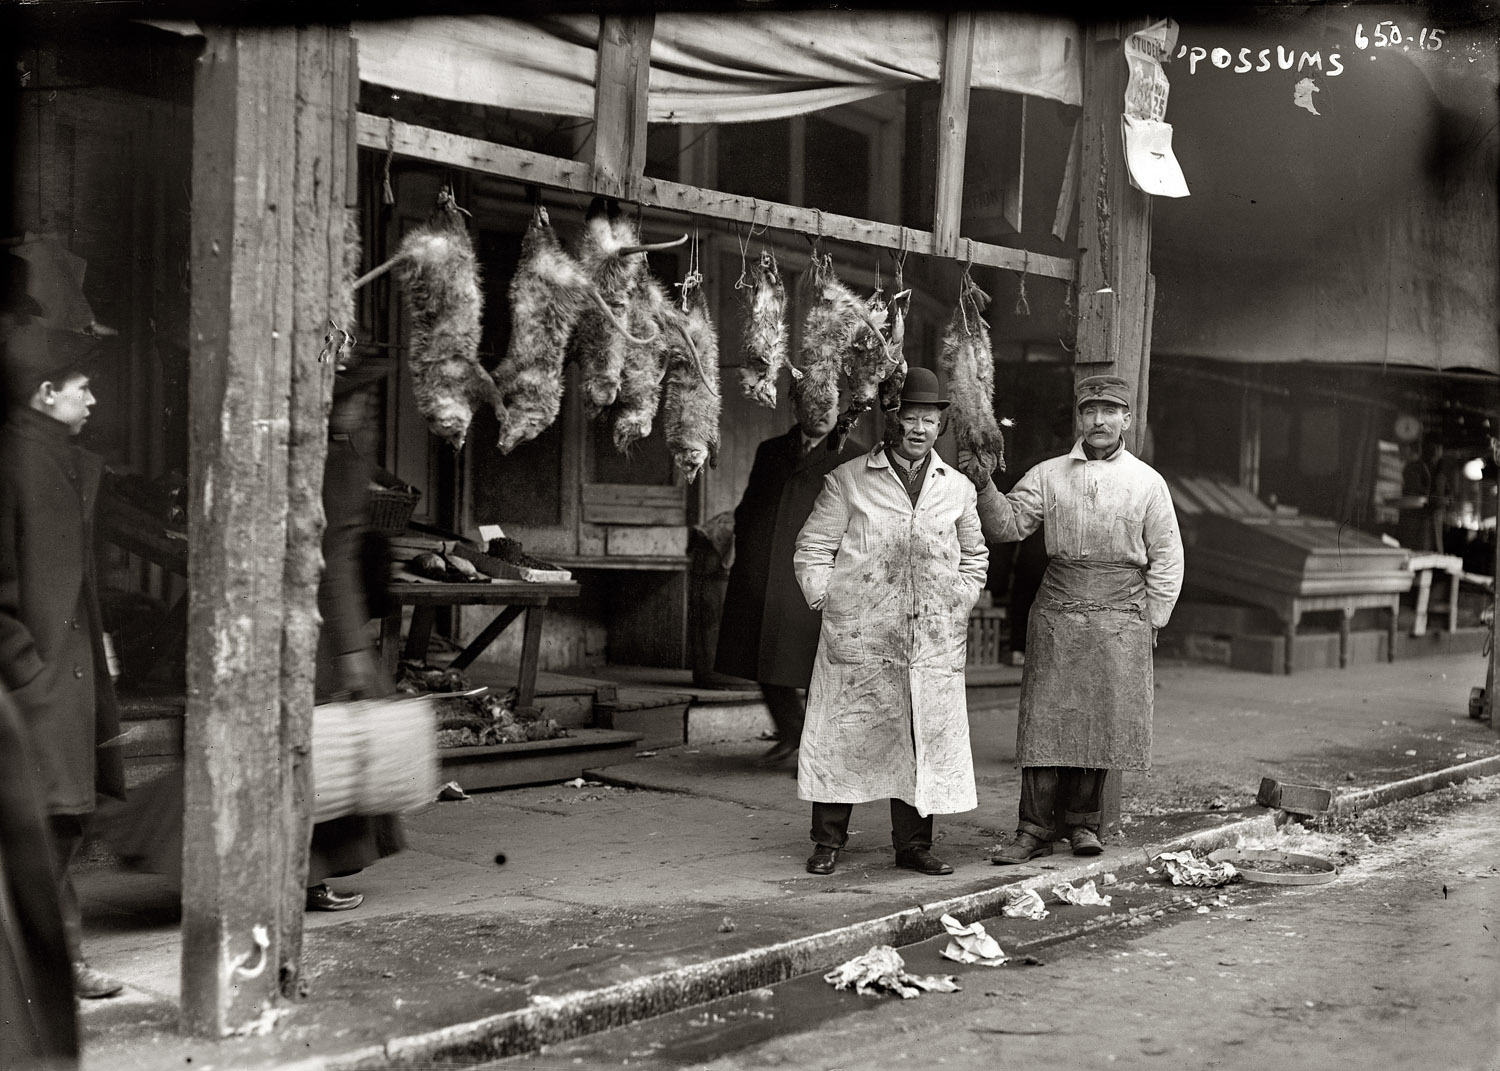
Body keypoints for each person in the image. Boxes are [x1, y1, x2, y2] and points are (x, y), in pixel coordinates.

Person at [975, 374, 1183, 864]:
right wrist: (983, 484)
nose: (1098, 421)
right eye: (1090, 412)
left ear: (1126, 419)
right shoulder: (1049, 474)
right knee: (1044, 723)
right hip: (1058, 612)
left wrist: (1152, 620)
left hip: (1121, 616)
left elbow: (1168, 557)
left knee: (1101, 721)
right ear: (1079, 419)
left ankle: (1083, 825)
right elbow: (1007, 525)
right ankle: (1032, 830)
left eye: (1109, 412)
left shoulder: (1147, 482)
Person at [792, 366, 989, 876]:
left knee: (919, 736)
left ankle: (914, 847)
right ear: (893, 421)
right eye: (910, 418)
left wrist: (960, 599)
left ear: (940, 426)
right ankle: (827, 842)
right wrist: (830, 601)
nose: (919, 429)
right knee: (844, 734)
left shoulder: (957, 488)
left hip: (929, 637)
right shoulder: (849, 480)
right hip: (861, 633)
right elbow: (813, 548)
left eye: (929, 420)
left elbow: (975, 556)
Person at [0, 323, 126, 998]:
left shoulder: (62, 460)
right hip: (34, 680)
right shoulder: (13, 461)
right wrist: (26, 667)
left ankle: (55, 961)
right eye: (83, 387)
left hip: (65, 672)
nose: (93, 399)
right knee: (49, 820)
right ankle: (54, 964)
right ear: (46, 393)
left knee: (62, 818)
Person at [714, 382, 864, 766]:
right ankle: (792, 730)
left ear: (839, 406)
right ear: (795, 407)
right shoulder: (771, 451)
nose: (822, 413)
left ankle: (817, 747)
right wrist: (745, 552)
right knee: (761, 650)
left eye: (829, 404)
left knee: (819, 661)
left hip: (820, 572)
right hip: (765, 568)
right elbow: (750, 507)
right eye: (812, 405)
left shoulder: (854, 456)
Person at [306, 356, 405, 911]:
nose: (364, 406)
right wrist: (351, 646)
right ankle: (308, 876)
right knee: (332, 751)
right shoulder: (337, 461)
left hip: (306, 616)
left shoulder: (323, 453)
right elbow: (336, 559)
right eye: (354, 396)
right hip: (322, 626)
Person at [993, 402, 1076, 667]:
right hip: (1049, 551)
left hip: (1037, 551)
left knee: (1027, 592)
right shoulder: (1045, 467)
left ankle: (1020, 647)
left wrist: (998, 580)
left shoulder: (1036, 465)